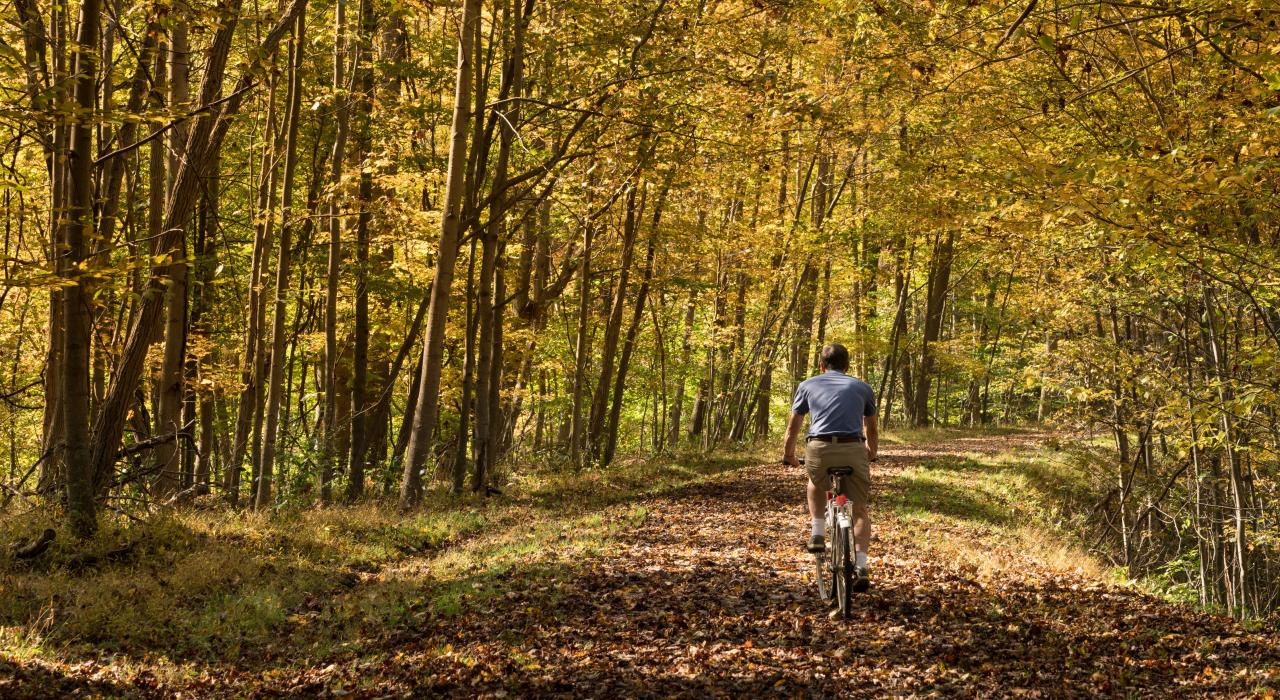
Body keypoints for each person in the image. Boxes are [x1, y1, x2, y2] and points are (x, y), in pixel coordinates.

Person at [782, 343, 878, 591]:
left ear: (821, 365)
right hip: (853, 448)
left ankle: (817, 532)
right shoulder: (862, 387)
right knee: (859, 510)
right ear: (847, 366)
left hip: (820, 448)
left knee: (815, 482)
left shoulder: (808, 385)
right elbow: (872, 428)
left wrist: (789, 454)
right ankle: (862, 565)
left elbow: (794, 426)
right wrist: (872, 454)